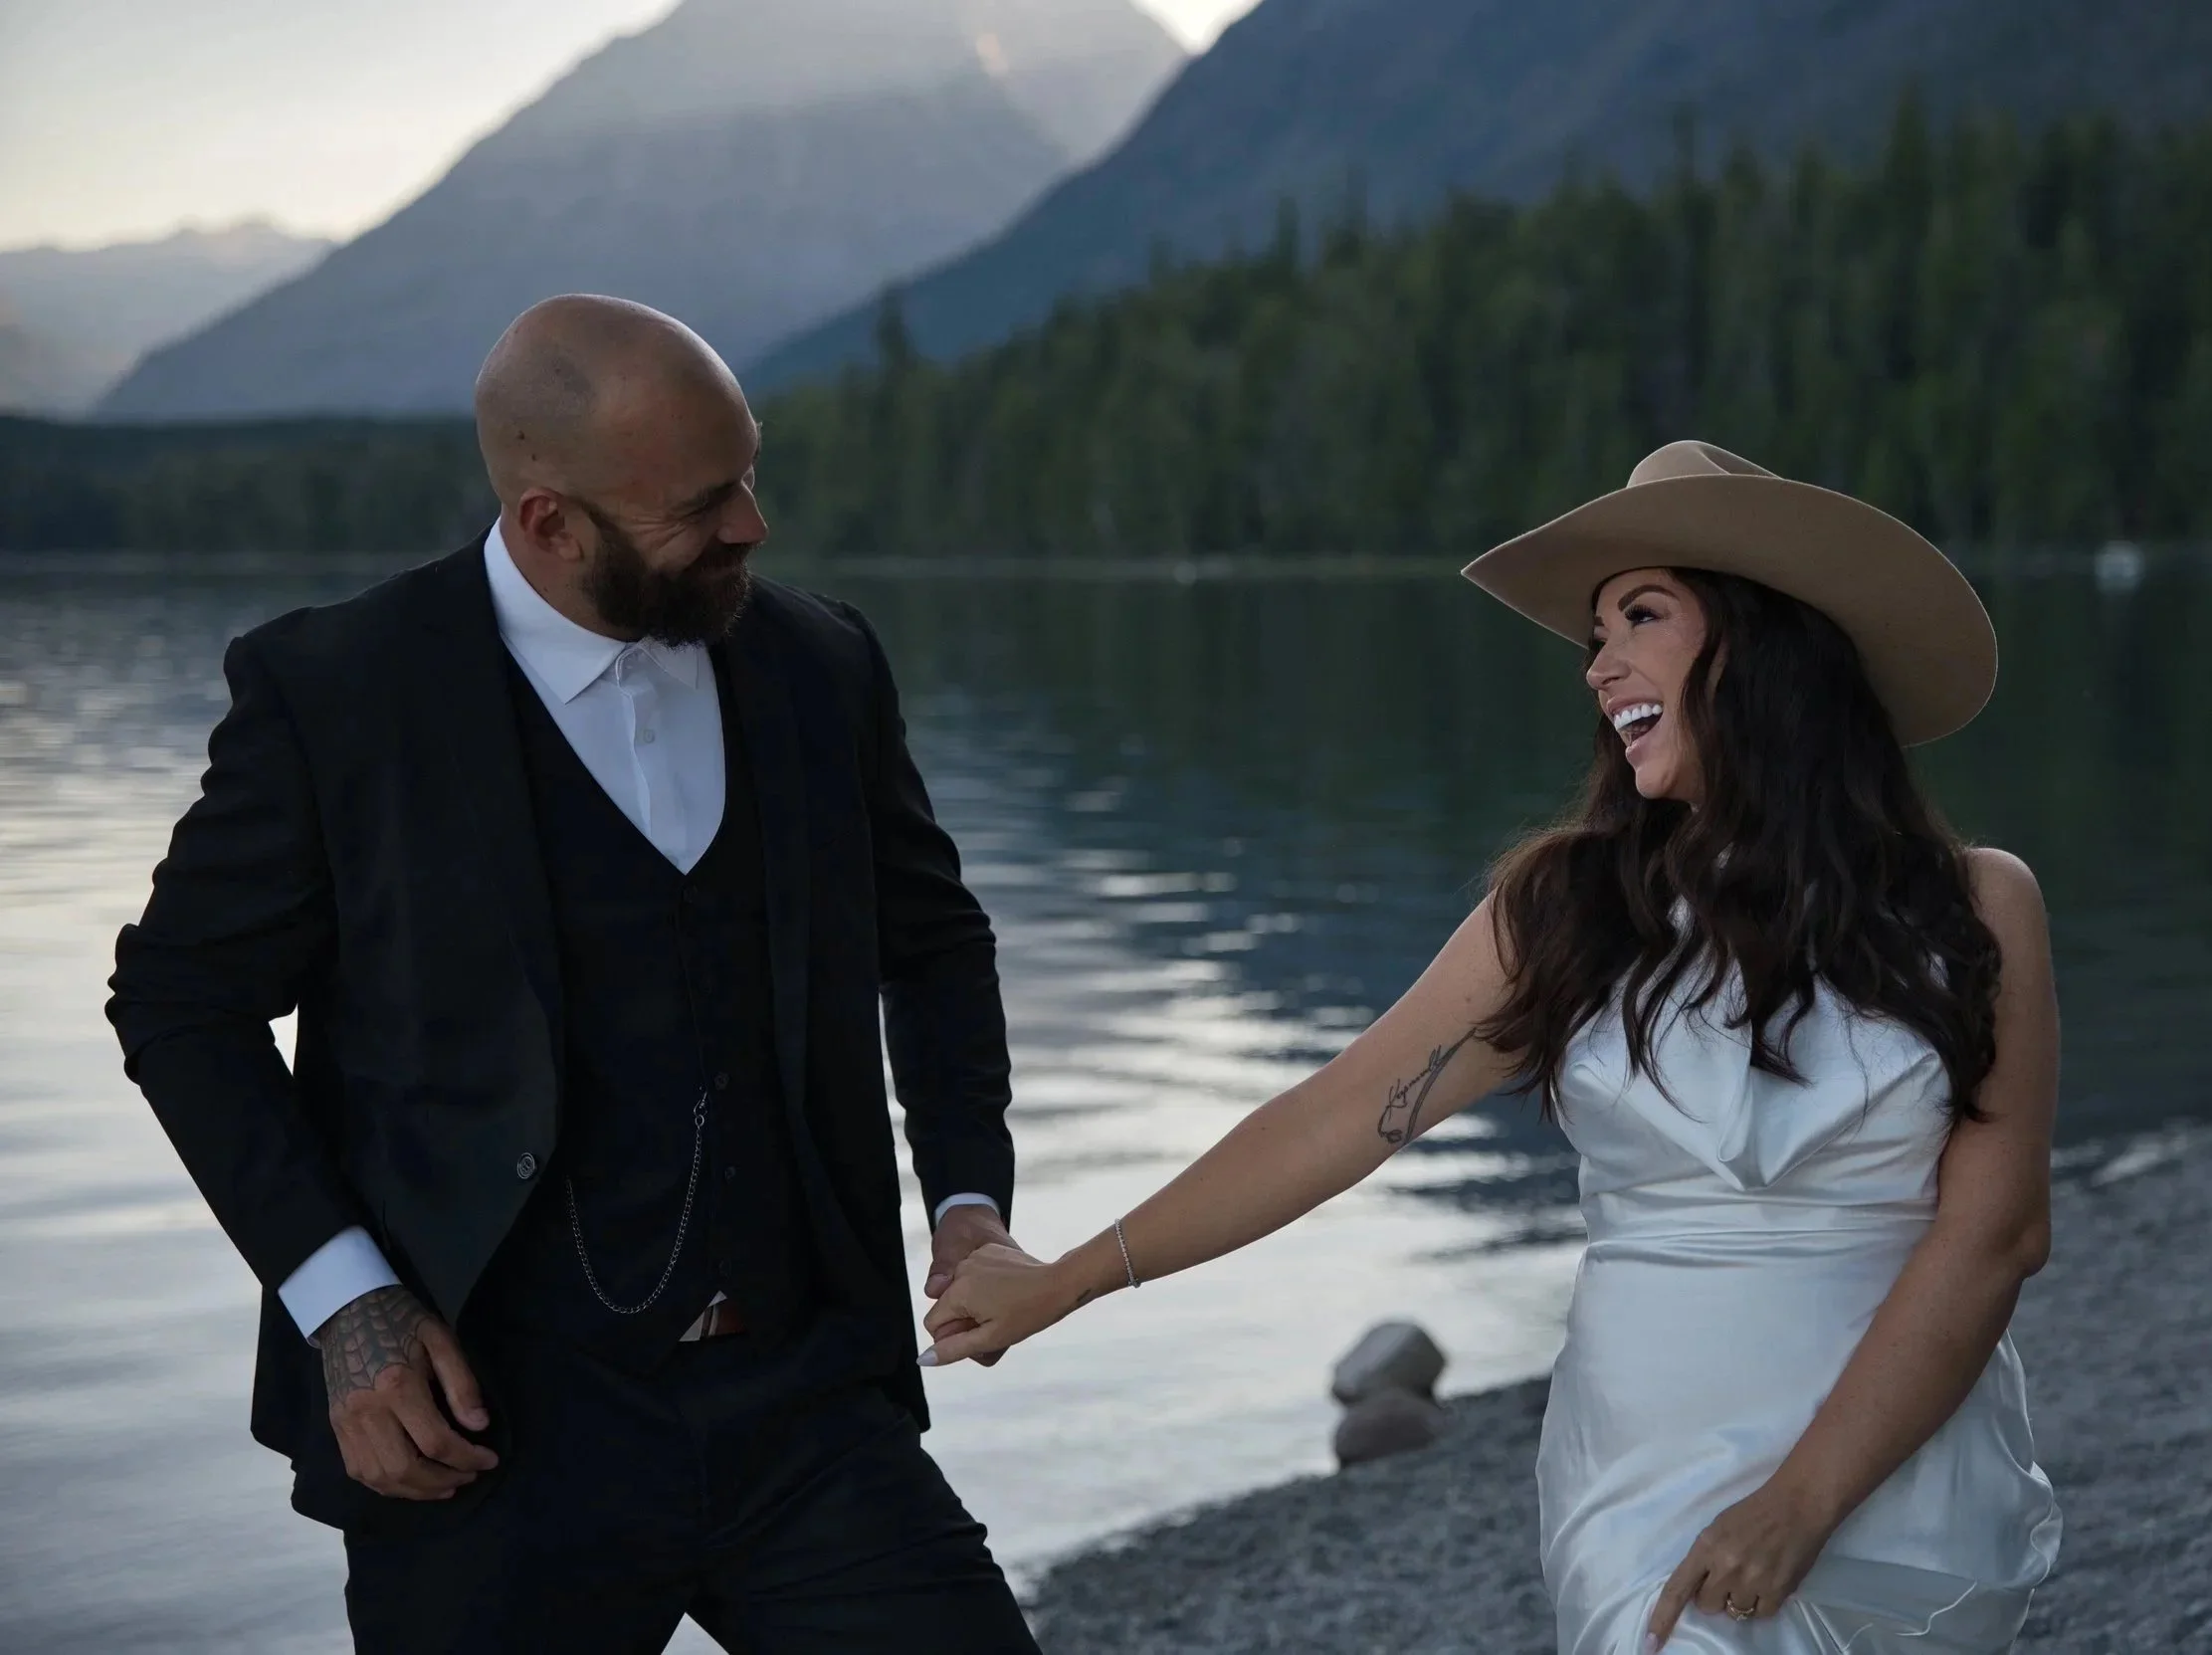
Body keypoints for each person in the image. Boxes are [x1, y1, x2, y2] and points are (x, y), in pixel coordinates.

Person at [923, 441, 2063, 1652]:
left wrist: (1805, 1499)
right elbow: (1336, 1116)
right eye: (1594, 636)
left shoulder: (1975, 907)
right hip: (1650, 1476)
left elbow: (1996, 1236)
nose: (1600, 665)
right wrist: (1069, 1278)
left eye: (1641, 616)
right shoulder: (1571, 910)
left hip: (1902, 1474)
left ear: (1764, 641)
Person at [107, 295, 1041, 1654]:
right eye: (703, 504)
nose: (751, 526)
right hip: (484, 1438)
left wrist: (966, 1197)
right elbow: (181, 1001)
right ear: (550, 521)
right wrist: (345, 1302)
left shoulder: (822, 664)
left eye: (749, 473)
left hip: (808, 1408)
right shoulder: (338, 692)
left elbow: (937, 941)